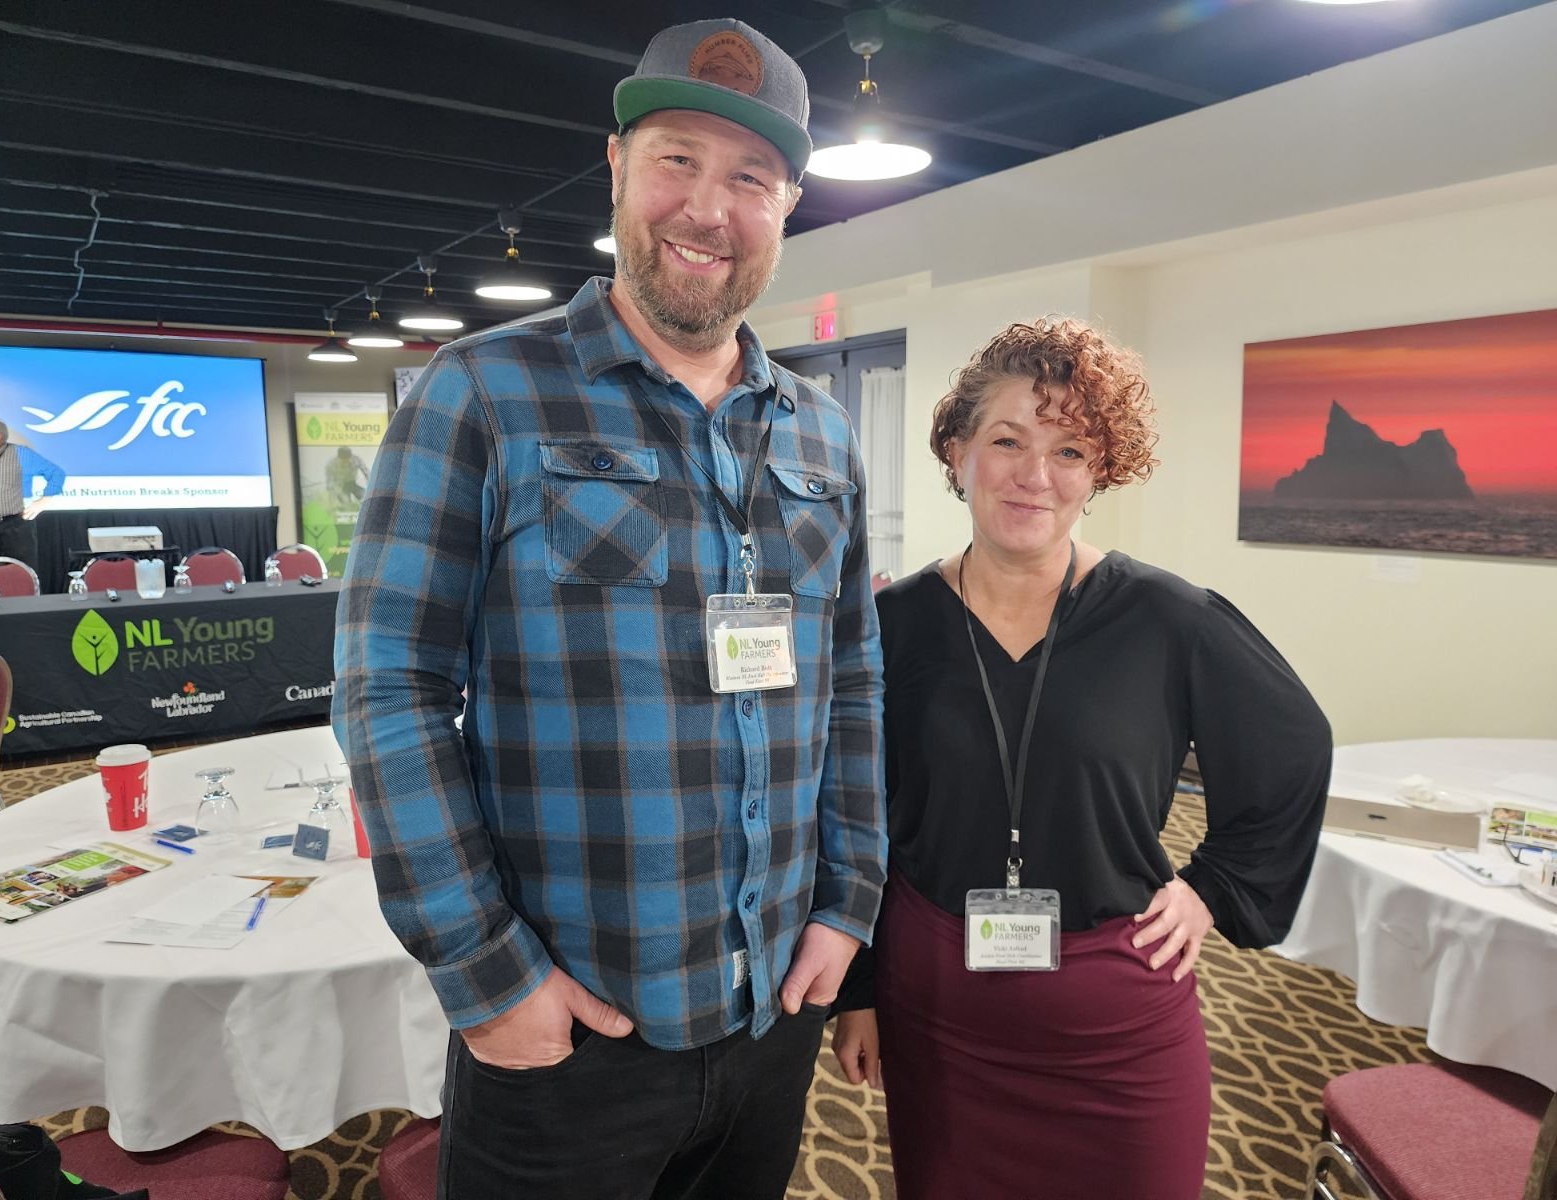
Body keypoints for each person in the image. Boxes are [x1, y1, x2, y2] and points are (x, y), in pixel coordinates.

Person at [333, 18, 886, 1200]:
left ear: (785, 205)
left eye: (749, 177)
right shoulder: (482, 391)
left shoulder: (820, 433)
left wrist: (849, 901)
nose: (707, 208)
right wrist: (489, 980)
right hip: (573, 1032)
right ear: (618, 167)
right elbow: (390, 684)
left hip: (775, 1006)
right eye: (677, 158)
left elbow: (853, 681)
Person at [831, 319, 1332, 1200]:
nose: (1036, 475)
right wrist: (859, 988)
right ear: (956, 453)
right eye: (1007, 440)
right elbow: (853, 814)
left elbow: (1294, 750)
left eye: (1069, 450)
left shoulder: (1170, 620)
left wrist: (1213, 888)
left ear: (1100, 471)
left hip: (1119, 1028)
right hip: (939, 1013)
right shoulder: (893, 625)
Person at [0, 415, 65, 581]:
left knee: (22, 576)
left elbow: (56, 474)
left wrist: (42, 502)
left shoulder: (23, 455)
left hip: (16, 526)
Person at [323, 445, 369, 510]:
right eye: (343, 461)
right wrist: (332, 498)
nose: (345, 463)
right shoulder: (331, 464)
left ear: (350, 457)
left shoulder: (356, 460)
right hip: (341, 485)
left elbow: (366, 472)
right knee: (346, 503)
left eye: (347, 460)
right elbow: (329, 482)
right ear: (338, 458)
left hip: (354, 483)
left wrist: (370, 484)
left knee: (365, 497)